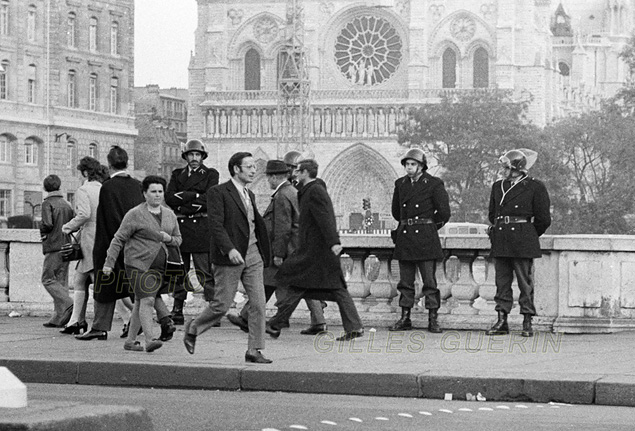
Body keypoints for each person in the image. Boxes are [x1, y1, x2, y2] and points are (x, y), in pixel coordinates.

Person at [183, 152, 273, 364]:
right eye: (249, 167)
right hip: (230, 256)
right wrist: (229, 249)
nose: (254, 170)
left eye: (254, 167)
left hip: (253, 254)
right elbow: (215, 225)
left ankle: (254, 349)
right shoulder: (218, 192)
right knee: (222, 305)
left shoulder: (249, 194)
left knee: (259, 304)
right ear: (236, 169)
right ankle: (194, 328)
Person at [226, 160, 327, 336]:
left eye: (268, 177)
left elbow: (283, 228)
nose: (267, 181)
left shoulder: (282, 196)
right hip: (297, 246)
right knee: (289, 284)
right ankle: (318, 321)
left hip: (287, 249)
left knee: (268, 281)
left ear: (274, 177)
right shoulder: (292, 192)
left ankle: (266, 321)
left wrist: (278, 253)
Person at [267, 159, 364, 341]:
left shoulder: (315, 191)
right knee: (307, 286)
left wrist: (334, 242)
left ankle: (275, 323)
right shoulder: (310, 191)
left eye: (298, 171)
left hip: (318, 251)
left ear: (305, 172)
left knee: (299, 283)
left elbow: (326, 217)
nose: (294, 174)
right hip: (316, 250)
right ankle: (354, 327)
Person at [76, 146, 150, 341]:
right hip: (135, 244)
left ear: (108, 165)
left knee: (104, 287)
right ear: (127, 163)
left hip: (111, 243)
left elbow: (106, 219)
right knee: (134, 287)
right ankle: (141, 322)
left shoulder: (107, 187)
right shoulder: (137, 185)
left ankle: (100, 327)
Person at [103, 176, 182, 352]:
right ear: (144, 194)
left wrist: (169, 238)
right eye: (153, 191)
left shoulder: (169, 214)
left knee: (139, 302)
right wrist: (109, 263)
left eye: (160, 191)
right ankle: (149, 339)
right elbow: (118, 239)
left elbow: (178, 239)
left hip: (160, 267)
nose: (157, 195)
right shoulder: (134, 214)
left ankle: (130, 341)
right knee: (147, 300)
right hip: (137, 264)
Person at [486, 149, 551, 338]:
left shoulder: (535, 187)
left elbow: (543, 219)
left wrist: (528, 234)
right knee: (502, 282)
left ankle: (527, 321)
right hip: (502, 238)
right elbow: (492, 214)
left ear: (517, 168)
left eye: (506, 167)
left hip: (523, 239)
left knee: (525, 282)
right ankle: (501, 320)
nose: (502, 170)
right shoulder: (498, 187)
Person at [389, 148, 451, 334]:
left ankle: (433, 318)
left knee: (429, 282)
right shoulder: (400, 184)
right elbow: (396, 212)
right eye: (407, 164)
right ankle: (405, 317)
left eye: (413, 164)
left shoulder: (433, 184)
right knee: (405, 282)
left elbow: (444, 212)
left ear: (421, 166)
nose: (409, 168)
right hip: (406, 237)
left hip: (425, 237)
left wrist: (429, 227)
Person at [165, 139, 219, 325]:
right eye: (191, 155)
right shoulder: (177, 174)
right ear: (186, 156)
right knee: (180, 269)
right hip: (181, 227)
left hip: (201, 227)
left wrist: (185, 198)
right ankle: (177, 309)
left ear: (202, 156)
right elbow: (170, 198)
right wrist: (194, 197)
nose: (194, 158)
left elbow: (209, 198)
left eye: (197, 155)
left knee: (204, 270)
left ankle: (214, 311)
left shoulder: (211, 174)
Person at [59, 157, 103, 335]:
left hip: (89, 237)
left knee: (96, 282)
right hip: (100, 236)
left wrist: (67, 226)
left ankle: (128, 317)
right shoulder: (102, 189)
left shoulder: (83, 190)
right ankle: (75, 320)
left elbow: (84, 214)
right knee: (80, 279)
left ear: (85, 172)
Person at [40, 174, 74, 328]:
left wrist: (40, 228)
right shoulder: (67, 204)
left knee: (47, 279)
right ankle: (59, 317)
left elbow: (47, 224)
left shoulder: (47, 203)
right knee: (60, 280)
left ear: (46, 187)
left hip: (53, 245)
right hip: (67, 245)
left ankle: (67, 303)